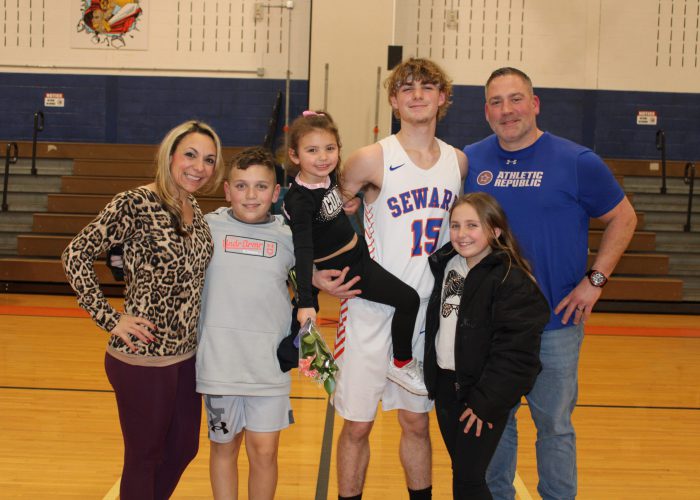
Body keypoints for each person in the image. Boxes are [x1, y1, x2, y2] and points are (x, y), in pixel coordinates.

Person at [463, 67, 637, 499]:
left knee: (555, 426)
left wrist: (595, 280)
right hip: (492, 325)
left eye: (516, 99)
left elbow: (624, 217)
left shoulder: (576, 161)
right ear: (486, 111)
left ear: (535, 103)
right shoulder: (470, 160)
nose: (507, 110)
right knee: (496, 420)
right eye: (497, 102)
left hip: (555, 323)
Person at [314, 58, 468, 500]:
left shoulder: (458, 162)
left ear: (443, 98)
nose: (417, 94)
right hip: (370, 308)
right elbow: (322, 218)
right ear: (394, 101)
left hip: (428, 315)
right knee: (358, 425)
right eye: (406, 88)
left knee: (416, 422)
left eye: (427, 86)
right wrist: (315, 274)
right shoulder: (371, 158)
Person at [62, 120, 224, 499]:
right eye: (190, 154)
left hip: (186, 357)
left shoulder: (194, 208)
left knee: (184, 448)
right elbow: (75, 254)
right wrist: (110, 318)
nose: (199, 167)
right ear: (169, 155)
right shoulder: (134, 202)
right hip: (143, 358)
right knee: (144, 456)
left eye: (209, 159)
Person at [282, 110, 426, 396]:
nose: (323, 157)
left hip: (359, 251)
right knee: (408, 300)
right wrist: (305, 302)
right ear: (295, 156)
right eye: (312, 150)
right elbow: (304, 249)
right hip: (350, 268)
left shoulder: (327, 177)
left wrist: (350, 203)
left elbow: (328, 210)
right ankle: (401, 361)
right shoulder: (300, 201)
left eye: (330, 148)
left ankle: (296, 351)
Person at [424, 193, 550, 499]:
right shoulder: (447, 264)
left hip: (479, 394)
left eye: (472, 225)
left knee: (469, 479)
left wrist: (485, 403)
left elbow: (518, 355)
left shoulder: (511, 279)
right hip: (445, 386)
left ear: (495, 231)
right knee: (463, 471)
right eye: (455, 226)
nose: (461, 234)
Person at [196, 147, 295, 500]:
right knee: (225, 449)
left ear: (276, 191)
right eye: (241, 186)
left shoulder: (290, 236)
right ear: (226, 190)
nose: (251, 196)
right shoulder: (206, 228)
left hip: (268, 366)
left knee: (265, 453)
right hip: (219, 365)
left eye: (260, 187)